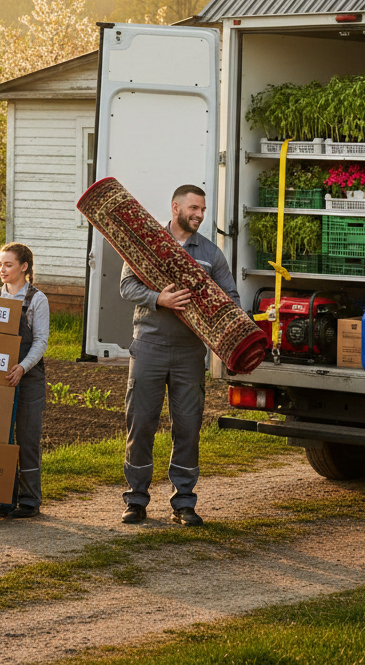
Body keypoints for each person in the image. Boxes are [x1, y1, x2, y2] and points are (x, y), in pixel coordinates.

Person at [119, 184, 241, 526]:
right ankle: (136, 499)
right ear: (176, 208)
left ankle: (183, 503)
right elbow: (126, 286)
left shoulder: (211, 254)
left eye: (202, 209)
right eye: (193, 208)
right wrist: (159, 299)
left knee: (188, 427)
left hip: (190, 352)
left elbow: (231, 298)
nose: (199, 214)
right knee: (141, 423)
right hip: (149, 346)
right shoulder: (149, 244)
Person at [0, 242, 49, 519]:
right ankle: (2, 496)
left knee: (27, 437)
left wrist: (22, 368)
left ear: (24, 267)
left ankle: (29, 500)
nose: (2, 269)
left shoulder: (37, 299)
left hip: (29, 377)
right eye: (0, 264)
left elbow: (40, 342)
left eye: (8, 265)